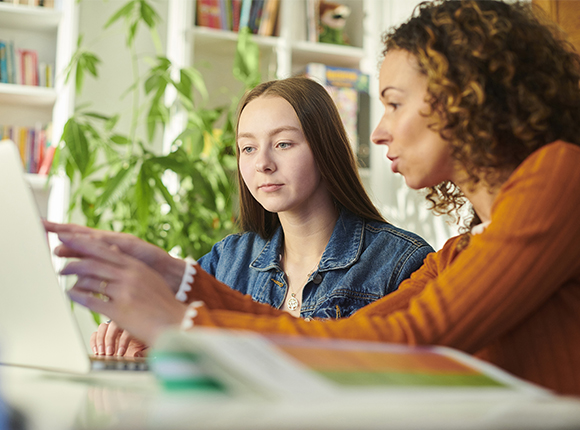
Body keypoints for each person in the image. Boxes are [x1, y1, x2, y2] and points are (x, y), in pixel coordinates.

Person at [49, 0, 580, 396]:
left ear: (465, 98)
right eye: (247, 148)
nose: (378, 132)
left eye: (393, 104)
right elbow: (345, 338)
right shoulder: (461, 253)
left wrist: (178, 323)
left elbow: (412, 339)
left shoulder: (561, 175)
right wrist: (179, 280)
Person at [46, 77, 432, 356]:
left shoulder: (402, 262)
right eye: (247, 148)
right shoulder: (226, 260)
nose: (262, 164)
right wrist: (143, 347)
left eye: (282, 143)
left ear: (325, 148)